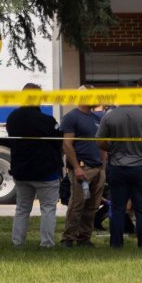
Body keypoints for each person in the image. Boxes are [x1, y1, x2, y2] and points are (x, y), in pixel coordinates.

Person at [99, 98, 142, 250]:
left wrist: (112, 149)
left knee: (117, 209)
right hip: (140, 167)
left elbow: (100, 142)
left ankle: (116, 244)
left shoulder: (109, 116)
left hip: (117, 167)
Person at [2, 84, 59, 248]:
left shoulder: (12, 118)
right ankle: (47, 244)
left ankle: (17, 243)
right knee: (48, 208)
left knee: (22, 208)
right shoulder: (46, 120)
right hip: (45, 172)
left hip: (21, 171)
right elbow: (57, 142)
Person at [59, 98, 104, 247]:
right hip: (82, 168)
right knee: (77, 204)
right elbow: (67, 144)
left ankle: (84, 238)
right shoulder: (71, 117)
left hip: (97, 168)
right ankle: (68, 238)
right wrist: (77, 167)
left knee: (92, 206)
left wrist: (103, 167)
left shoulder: (96, 118)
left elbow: (101, 143)